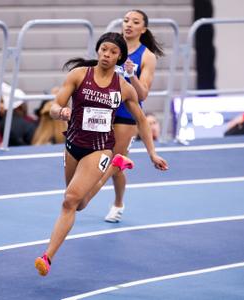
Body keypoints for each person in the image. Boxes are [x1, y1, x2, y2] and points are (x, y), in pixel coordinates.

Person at [34, 32, 168, 276]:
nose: (107, 54)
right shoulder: (78, 75)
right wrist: (59, 112)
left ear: (120, 57)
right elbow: (55, 106)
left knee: (69, 200)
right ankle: (115, 167)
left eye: (113, 52)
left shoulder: (124, 88)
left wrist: (152, 153)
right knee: (81, 204)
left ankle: (47, 257)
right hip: (73, 144)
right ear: (98, 50)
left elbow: (141, 120)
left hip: (100, 148)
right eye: (104, 49)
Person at [87, 9, 165, 223]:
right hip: (104, 110)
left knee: (115, 160)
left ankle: (109, 200)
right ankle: (112, 198)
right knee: (107, 162)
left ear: (144, 28)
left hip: (127, 114)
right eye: (126, 20)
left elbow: (143, 94)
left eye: (135, 21)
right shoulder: (114, 47)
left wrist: (131, 75)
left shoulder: (147, 56)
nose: (129, 24)